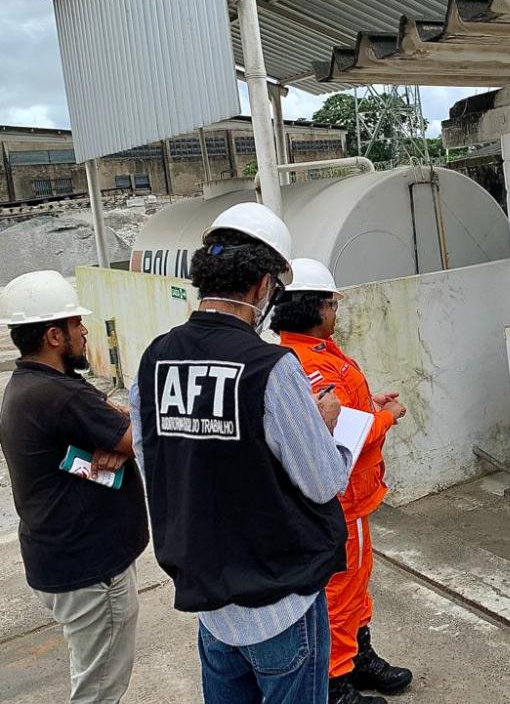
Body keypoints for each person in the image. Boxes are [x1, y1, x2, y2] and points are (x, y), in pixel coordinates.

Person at [129, 202, 351, 704]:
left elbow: (153, 461)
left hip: (211, 604)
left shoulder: (155, 359)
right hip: (280, 605)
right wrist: (324, 428)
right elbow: (323, 482)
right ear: (261, 287)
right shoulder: (269, 366)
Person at [0, 270, 147, 704]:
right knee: (98, 689)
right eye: (75, 324)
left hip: (62, 563)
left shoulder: (30, 387)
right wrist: (126, 437)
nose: (84, 331)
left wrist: (119, 435)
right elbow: (143, 437)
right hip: (90, 573)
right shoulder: (59, 396)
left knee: (91, 671)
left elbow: (117, 429)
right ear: (53, 335)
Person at [270, 258, 410, 704]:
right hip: (341, 499)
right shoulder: (306, 362)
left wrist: (370, 401)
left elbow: (345, 409)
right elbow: (344, 434)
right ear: (314, 308)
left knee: (356, 581)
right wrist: (384, 417)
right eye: (332, 303)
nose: (337, 311)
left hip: (355, 498)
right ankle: (334, 681)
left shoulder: (317, 353)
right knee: (340, 589)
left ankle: (357, 656)